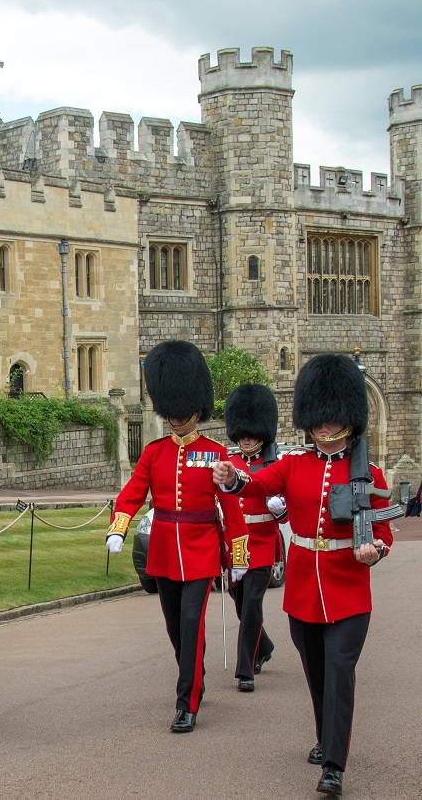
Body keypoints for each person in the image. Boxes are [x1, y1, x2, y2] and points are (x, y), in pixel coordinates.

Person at [213, 354, 394, 798]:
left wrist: (375, 551)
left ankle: (334, 764)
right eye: (318, 421)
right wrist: (231, 478)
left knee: (339, 671)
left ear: (348, 422)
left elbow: (384, 528)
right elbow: (254, 485)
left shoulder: (367, 472)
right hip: (303, 590)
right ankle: (325, 737)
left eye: (332, 421)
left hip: (350, 591)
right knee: (316, 675)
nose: (323, 428)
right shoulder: (294, 465)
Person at [106, 340, 245, 733]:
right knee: (174, 627)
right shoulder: (154, 452)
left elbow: (231, 509)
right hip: (165, 550)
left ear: (196, 412)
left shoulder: (217, 453)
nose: (176, 422)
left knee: (191, 622)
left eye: (182, 416)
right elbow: (133, 492)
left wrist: (238, 558)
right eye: (171, 416)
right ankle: (193, 669)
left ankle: (187, 701)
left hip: (201, 550)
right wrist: (119, 527)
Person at [223, 383, 285, 692]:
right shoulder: (230, 464)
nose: (246, 439)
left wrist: (279, 509)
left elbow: (286, 514)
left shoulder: (274, 466)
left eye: (251, 434)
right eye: (242, 434)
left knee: (251, 607)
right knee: (239, 604)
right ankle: (265, 646)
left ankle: (244, 668)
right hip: (235, 546)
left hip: (261, 544)